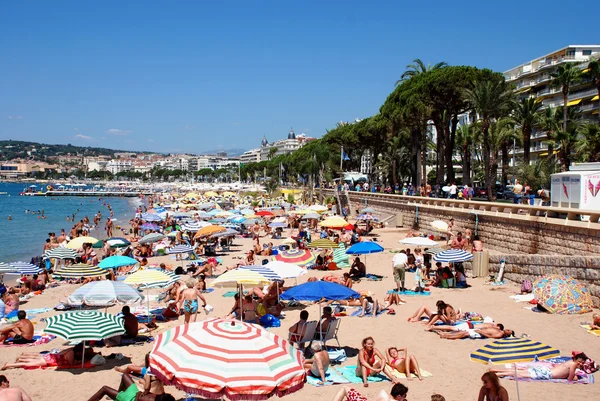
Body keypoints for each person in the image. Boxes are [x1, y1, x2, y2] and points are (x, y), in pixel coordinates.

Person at [491, 352, 587, 381]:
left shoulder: (570, 361)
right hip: (547, 373)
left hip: (546, 370)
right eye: (580, 362)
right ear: (576, 360)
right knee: (523, 374)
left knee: (523, 372)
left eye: (582, 363)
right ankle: (499, 374)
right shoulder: (574, 364)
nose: (580, 364)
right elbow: (570, 378)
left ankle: (499, 371)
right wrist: (575, 378)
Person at [85, 373, 175, 401]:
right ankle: (118, 398)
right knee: (125, 376)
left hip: (130, 398)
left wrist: (141, 394)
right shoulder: (157, 397)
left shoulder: (151, 400)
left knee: (105, 389)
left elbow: (138, 399)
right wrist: (144, 392)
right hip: (135, 393)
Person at [332, 383, 408, 401]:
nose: (405, 397)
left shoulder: (383, 392)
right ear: (398, 396)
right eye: (404, 395)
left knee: (345, 388)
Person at [437, 325, 514, 340]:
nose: (507, 329)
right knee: (463, 332)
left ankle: (445, 336)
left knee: (464, 334)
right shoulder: (500, 330)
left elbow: (491, 337)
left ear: (507, 334)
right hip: (479, 331)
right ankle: (446, 334)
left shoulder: (500, 334)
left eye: (508, 331)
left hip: (480, 334)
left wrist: (481, 332)